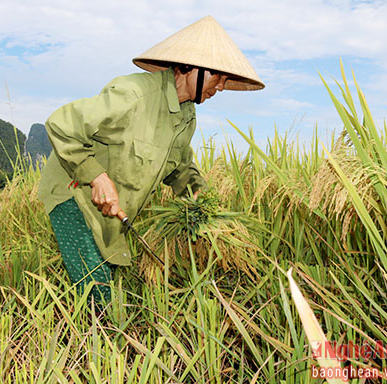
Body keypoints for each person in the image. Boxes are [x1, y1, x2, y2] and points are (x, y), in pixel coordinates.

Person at [38, 16, 265, 304]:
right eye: (217, 77)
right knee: (99, 295)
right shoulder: (133, 95)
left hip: (112, 212)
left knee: (107, 287)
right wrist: (96, 176)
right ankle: (99, 344)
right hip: (73, 196)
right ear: (190, 67)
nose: (220, 87)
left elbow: (181, 168)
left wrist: (204, 206)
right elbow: (61, 124)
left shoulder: (185, 116)